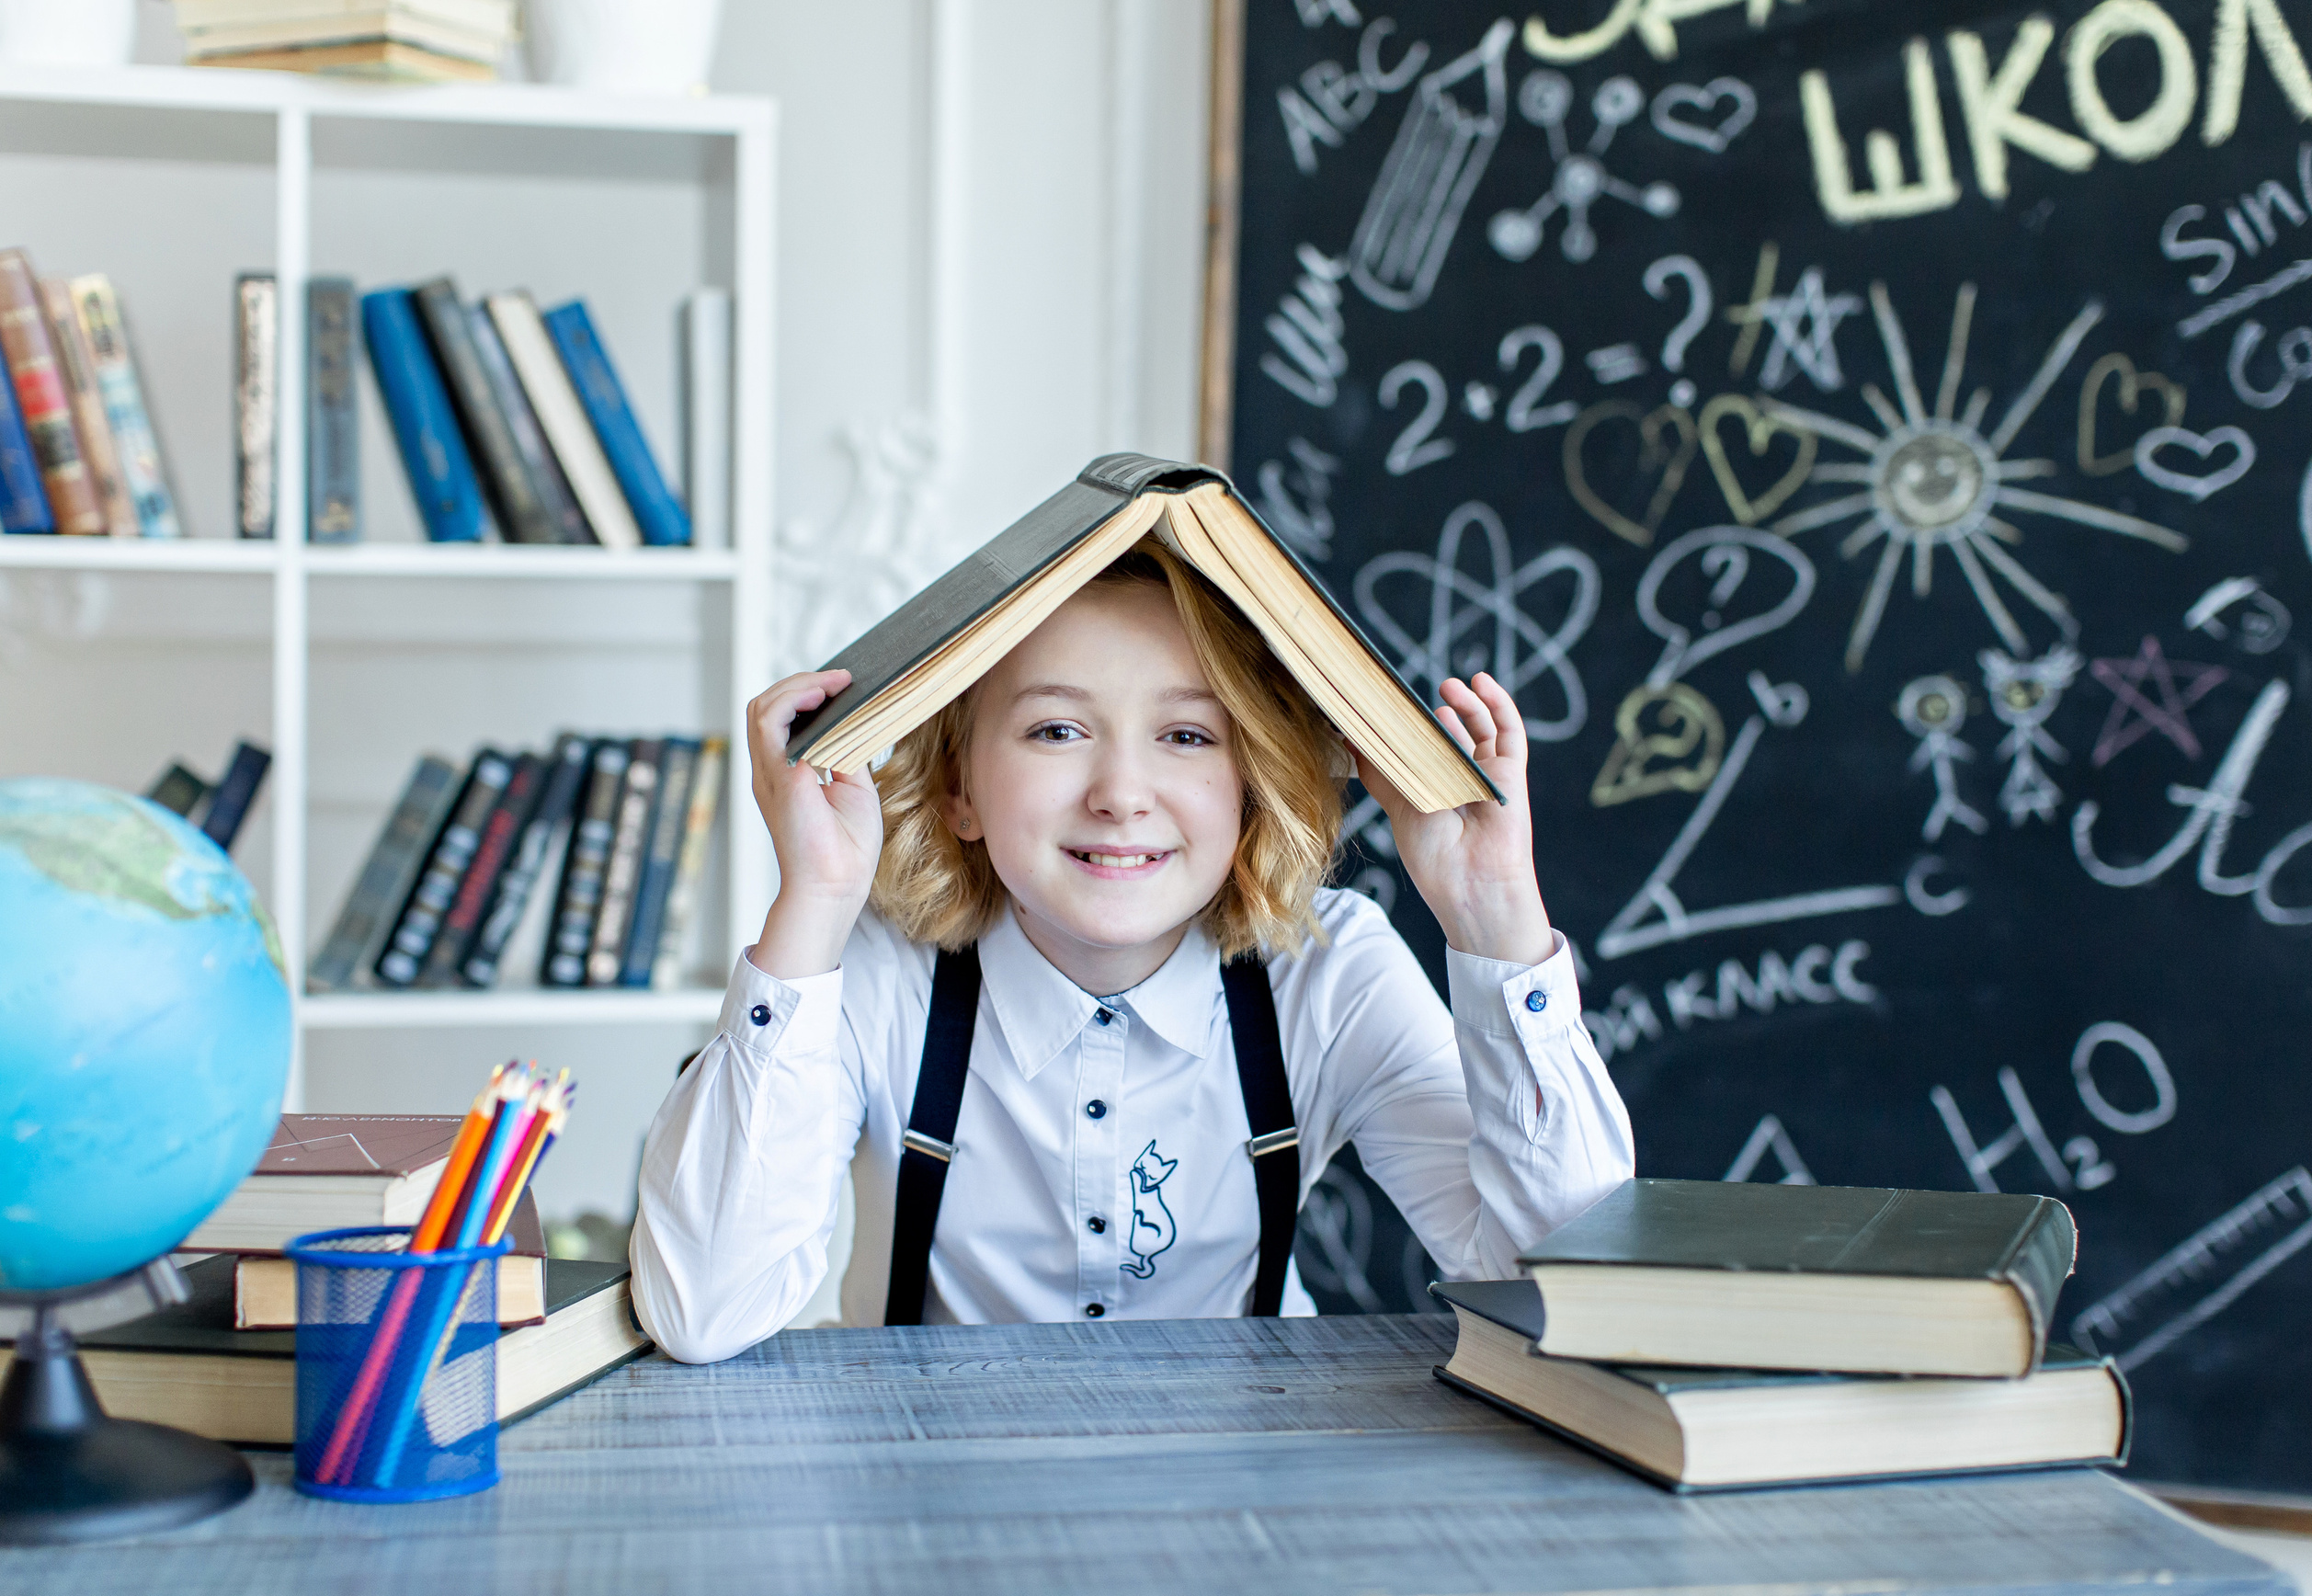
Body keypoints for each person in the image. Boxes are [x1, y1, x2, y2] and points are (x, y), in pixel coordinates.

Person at [630, 542, 1633, 1362]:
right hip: (929, 1496)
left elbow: (1571, 1290)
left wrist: (1493, 906)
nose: (1120, 791)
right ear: (959, 791)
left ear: (1252, 785)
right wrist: (813, 902)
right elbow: (702, 1309)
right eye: (1057, 728)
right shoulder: (876, 976)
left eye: (1188, 737)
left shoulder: (1328, 972)